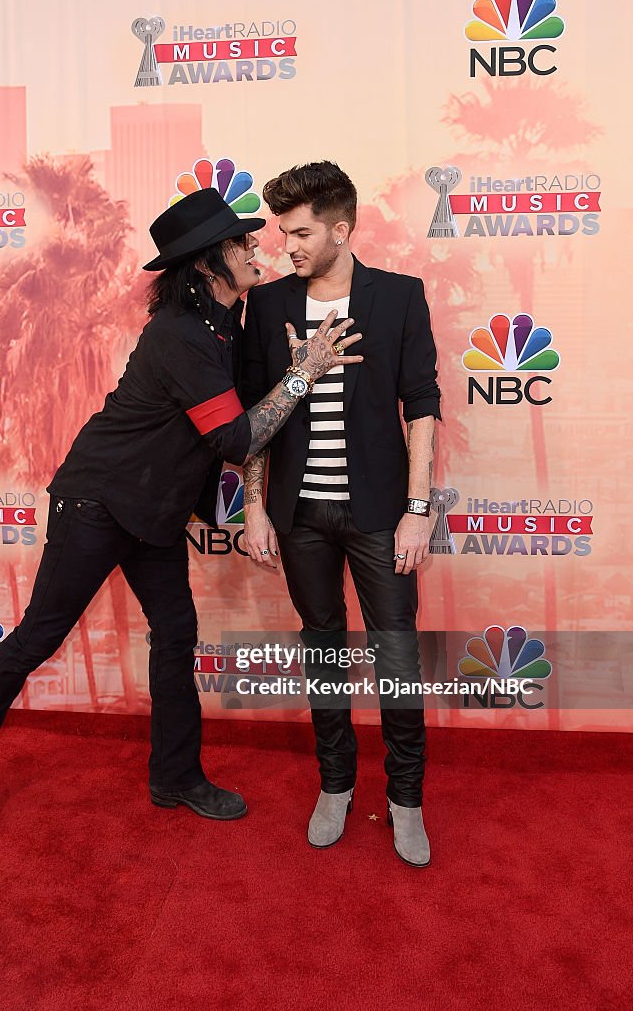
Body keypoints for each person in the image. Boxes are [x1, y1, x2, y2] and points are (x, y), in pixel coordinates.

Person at [0, 188, 362, 826]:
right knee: (39, 635)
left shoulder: (225, 325)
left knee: (176, 635)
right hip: (98, 501)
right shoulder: (180, 335)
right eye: (241, 243)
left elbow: (242, 410)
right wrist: (305, 375)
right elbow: (237, 439)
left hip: (155, 512)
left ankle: (176, 776)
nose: (255, 249)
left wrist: (290, 370)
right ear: (206, 263)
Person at [239, 162, 440, 866]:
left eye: (299, 232)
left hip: (380, 515)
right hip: (299, 517)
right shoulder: (267, 308)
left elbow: (421, 407)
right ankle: (336, 785)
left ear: (341, 229)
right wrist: (255, 507)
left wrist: (418, 511)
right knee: (321, 648)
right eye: (281, 231)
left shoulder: (397, 298)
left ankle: (406, 799)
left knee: (396, 656)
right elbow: (255, 419)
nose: (286, 245)